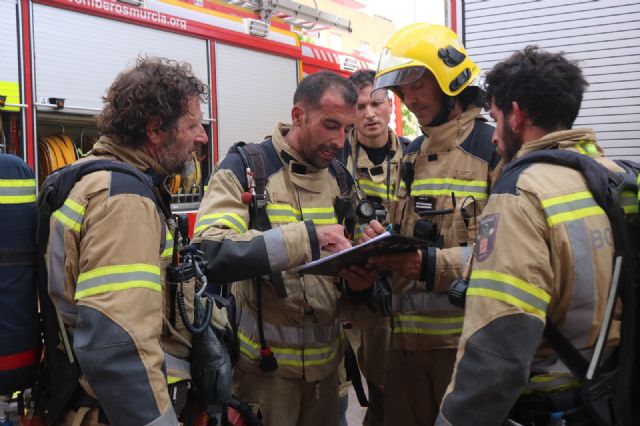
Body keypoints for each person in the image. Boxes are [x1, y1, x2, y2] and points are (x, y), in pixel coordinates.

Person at [435, 46, 625, 426]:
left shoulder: (522, 194)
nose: (492, 136)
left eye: (496, 116)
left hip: (552, 405)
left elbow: (499, 342)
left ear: (516, 114)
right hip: (615, 394)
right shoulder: (617, 177)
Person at [191, 71, 374, 426]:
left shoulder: (340, 180)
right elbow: (210, 252)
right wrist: (306, 238)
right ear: (298, 116)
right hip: (262, 382)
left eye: (346, 130)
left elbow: (347, 270)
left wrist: (362, 278)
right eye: (330, 125)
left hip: (327, 381)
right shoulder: (245, 168)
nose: (340, 141)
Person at [43, 57, 209, 425]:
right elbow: (118, 341)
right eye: (192, 125)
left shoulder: (92, 179)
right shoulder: (124, 201)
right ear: (154, 130)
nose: (203, 137)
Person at [361, 23, 501, 425]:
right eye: (401, 89)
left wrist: (429, 265)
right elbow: (404, 232)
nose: (407, 99)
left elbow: (513, 255)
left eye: (416, 83)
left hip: (465, 353)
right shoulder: (411, 155)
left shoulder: (491, 153)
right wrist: (378, 243)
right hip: (404, 349)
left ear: (449, 78)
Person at [337, 69, 408, 426]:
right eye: (360, 105)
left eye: (377, 103)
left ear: (391, 105)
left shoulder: (417, 156)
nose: (369, 113)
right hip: (358, 297)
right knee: (379, 385)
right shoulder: (334, 165)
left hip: (409, 288)